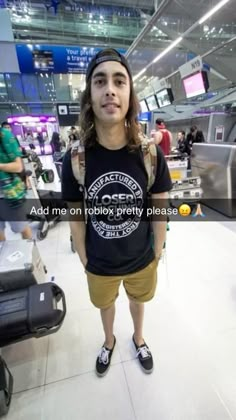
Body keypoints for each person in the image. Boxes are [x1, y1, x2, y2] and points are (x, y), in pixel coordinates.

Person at [62, 48, 172, 377]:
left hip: (141, 257)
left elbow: (160, 209)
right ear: (90, 96)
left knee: (139, 301)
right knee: (105, 305)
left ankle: (138, 338)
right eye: (100, 81)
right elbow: (76, 216)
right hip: (99, 261)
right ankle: (108, 341)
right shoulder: (76, 159)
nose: (110, 88)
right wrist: (84, 258)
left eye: (119, 81)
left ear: (129, 94)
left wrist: (156, 252)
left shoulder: (150, 154)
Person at [0, 127, 32, 241]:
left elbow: (18, 167)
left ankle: (32, 255)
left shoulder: (5, 136)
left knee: (21, 228)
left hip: (10, 194)